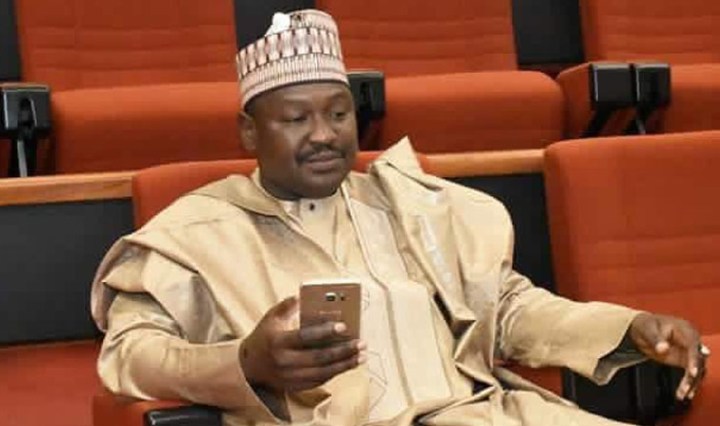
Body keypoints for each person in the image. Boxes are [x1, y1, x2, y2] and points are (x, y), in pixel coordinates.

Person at [90, 9, 709, 426]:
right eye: (296, 119)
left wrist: (629, 326)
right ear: (249, 132)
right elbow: (130, 354)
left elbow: (507, 310)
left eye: (338, 114)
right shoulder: (195, 232)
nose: (324, 135)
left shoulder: (411, 205)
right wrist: (246, 364)